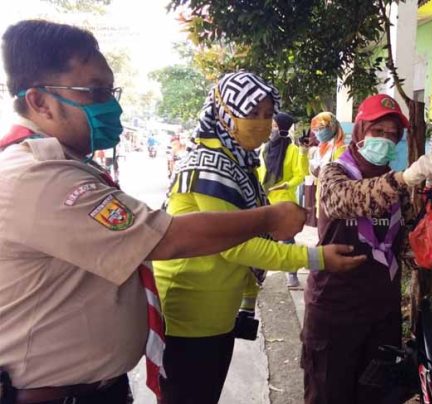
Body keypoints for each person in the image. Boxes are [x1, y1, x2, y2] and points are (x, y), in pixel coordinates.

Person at [0, 20, 314, 404]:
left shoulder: (70, 165)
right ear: (39, 102)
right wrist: (277, 225)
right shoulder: (38, 177)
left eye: (111, 91)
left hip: (100, 384)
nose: (112, 106)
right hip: (63, 391)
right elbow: (167, 237)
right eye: (95, 92)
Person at [153, 71, 366, 404]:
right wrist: (317, 258)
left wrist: (247, 301)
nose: (262, 123)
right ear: (224, 112)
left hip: (216, 310)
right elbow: (236, 245)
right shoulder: (208, 166)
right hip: (189, 312)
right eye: (251, 113)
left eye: (267, 115)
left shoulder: (239, 162)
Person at [302, 94, 432, 404]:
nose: (385, 139)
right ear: (359, 131)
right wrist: (404, 178)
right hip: (335, 313)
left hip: (381, 315)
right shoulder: (335, 172)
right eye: (377, 131)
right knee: (328, 395)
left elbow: (408, 244)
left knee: (377, 397)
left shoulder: (398, 187)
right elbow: (346, 200)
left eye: (391, 135)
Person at [257, 112, 309, 288]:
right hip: (265, 200)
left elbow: (300, 175)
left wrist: (286, 186)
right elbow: (259, 172)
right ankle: (259, 276)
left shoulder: (293, 150)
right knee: (263, 241)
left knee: (287, 239)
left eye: (274, 125)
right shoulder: (265, 148)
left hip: (284, 202)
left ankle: (292, 273)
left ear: (282, 128)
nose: (271, 129)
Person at [306, 112, 346, 225]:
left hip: (333, 204)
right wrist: (303, 151)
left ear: (332, 127)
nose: (318, 132)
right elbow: (313, 172)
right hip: (321, 201)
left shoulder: (340, 149)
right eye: (316, 129)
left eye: (321, 128)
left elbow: (338, 178)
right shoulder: (321, 149)